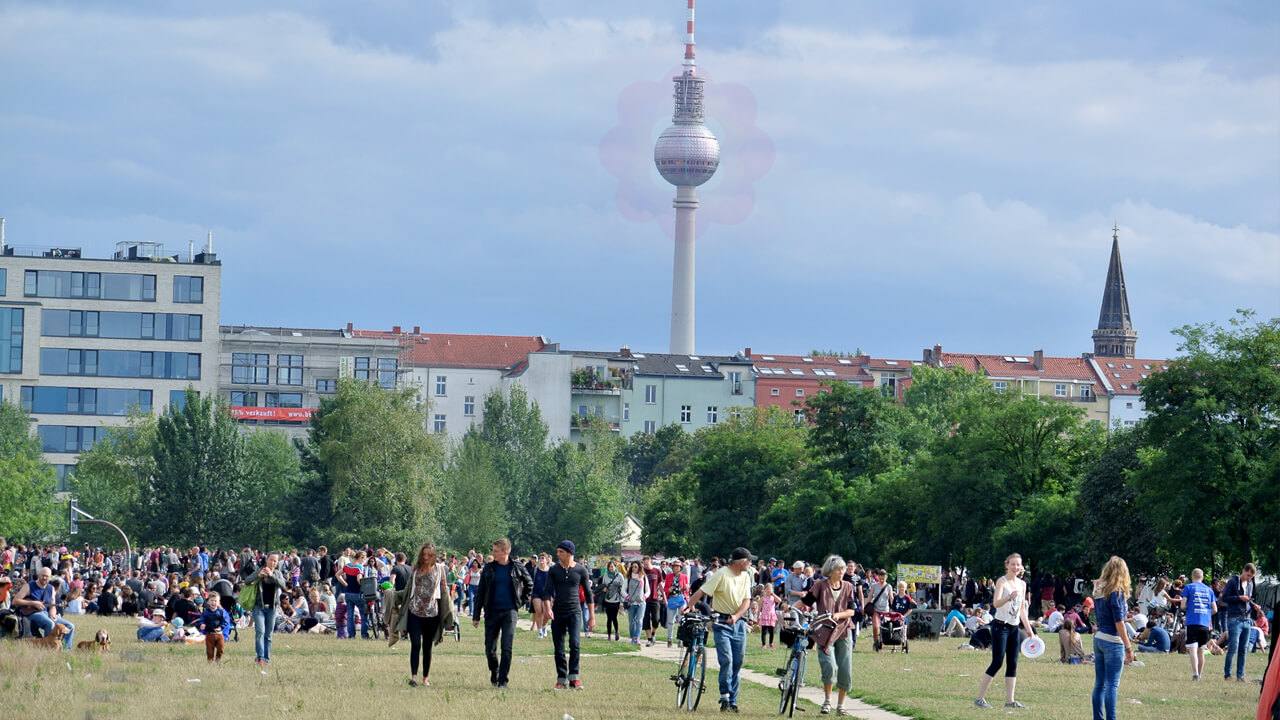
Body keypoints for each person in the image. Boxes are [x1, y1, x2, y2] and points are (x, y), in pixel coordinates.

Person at [686, 547, 756, 714]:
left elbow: (747, 600)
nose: (751, 563)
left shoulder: (746, 576)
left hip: (737, 623)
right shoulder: (722, 574)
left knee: (738, 662)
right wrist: (690, 606)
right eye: (749, 560)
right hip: (721, 622)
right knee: (727, 660)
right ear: (741, 562)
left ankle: (733, 701)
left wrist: (737, 616)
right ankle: (725, 696)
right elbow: (702, 591)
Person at [799, 555, 860, 717]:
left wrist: (839, 615)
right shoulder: (820, 586)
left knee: (845, 670)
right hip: (823, 631)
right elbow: (806, 601)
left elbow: (852, 611)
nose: (842, 572)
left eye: (843, 569)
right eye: (839, 569)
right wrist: (788, 608)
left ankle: (841, 705)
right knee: (829, 666)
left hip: (844, 631)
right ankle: (827, 701)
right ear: (831, 571)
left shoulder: (848, 587)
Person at [974, 553, 1035, 710]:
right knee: (997, 662)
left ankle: (1010, 700)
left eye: (1018, 565)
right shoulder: (1002, 581)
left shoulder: (1022, 584)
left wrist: (1029, 630)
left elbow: (1022, 610)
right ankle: (980, 698)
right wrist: (1009, 597)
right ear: (1007, 565)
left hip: (1014, 627)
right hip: (1000, 626)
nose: (1015, 567)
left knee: (1013, 663)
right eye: (1012, 564)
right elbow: (996, 603)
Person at [472, 538, 531, 689]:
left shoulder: (517, 567)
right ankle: (495, 671)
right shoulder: (489, 568)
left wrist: (521, 602)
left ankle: (503, 680)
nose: (493, 553)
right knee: (490, 649)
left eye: (496, 551)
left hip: (510, 612)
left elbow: (529, 583)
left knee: (507, 647)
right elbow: (481, 591)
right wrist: (476, 615)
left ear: (505, 552)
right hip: (492, 611)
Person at [400, 542, 450, 687]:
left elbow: (444, 591)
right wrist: (393, 596)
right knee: (415, 643)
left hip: (432, 613)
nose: (426, 557)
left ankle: (425, 678)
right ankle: (413, 677)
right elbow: (408, 589)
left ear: (434, 555)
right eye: (424, 554)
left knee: (427, 646)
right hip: (414, 611)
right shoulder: (415, 568)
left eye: (429, 555)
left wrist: (448, 613)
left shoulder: (440, 569)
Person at [1090, 556, 1135, 720]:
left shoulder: (1099, 589)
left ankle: (1098, 718)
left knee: (1099, 684)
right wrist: (1129, 648)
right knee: (1112, 684)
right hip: (1113, 641)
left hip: (1099, 638)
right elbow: (1119, 623)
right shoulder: (1117, 592)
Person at [548, 540, 594, 689]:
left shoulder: (581, 570)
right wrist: (548, 608)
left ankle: (574, 678)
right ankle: (561, 679)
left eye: (560, 552)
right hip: (558, 612)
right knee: (559, 647)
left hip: (575, 612)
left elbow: (588, 594)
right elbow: (547, 592)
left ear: (569, 553)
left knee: (575, 645)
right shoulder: (554, 570)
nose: (557, 554)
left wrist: (591, 617)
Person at [12, 567, 75, 649]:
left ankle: (66, 651)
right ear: (38, 575)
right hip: (33, 613)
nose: (45, 578)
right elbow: (15, 601)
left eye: (47, 576)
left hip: (46, 613)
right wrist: (33, 603)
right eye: (43, 575)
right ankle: (48, 648)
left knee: (70, 626)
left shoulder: (51, 588)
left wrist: (52, 614)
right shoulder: (28, 586)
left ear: (50, 577)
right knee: (50, 623)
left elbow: (52, 605)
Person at [250, 551, 287, 665]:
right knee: (260, 632)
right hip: (259, 606)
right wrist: (258, 576)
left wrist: (272, 576)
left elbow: (283, 585)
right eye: (271, 559)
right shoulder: (259, 570)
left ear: (277, 563)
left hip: (272, 607)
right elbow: (247, 581)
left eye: (275, 561)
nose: (272, 562)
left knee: (268, 634)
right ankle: (260, 657)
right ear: (266, 560)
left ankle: (266, 658)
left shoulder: (278, 573)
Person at [1179, 567, 1217, 680]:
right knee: (1201, 650)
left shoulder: (1189, 587)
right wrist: (1206, 615)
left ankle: (1195, 673)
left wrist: (1189, 610)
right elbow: (1214, 609)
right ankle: (1200, 674)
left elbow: (1182, 605)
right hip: (1205, 623)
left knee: (1192, 649)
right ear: (1203, 577)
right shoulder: (1209, 590)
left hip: (1192, 621)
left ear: (1192, 577)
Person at [1221, 562, 1256, 682]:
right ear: (1243, 571)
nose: (1248, 578)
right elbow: (1225, 597)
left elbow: (1249, 599)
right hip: (1234, 618)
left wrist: (1253, 605)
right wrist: (1239, 598)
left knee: (1243, 649)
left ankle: (1240, 675)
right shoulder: (1233, 582)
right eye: (1247, 575)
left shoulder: (1250, 584)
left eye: (1250, 576)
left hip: (1247, 619)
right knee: (1233, 647)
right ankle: (1228, 674)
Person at [664, 559, 690, 647]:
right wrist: (668, 589)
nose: (675, 568)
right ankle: (669, 638)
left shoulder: (684, 576)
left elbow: (687, 589)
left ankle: (680, 640)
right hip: (672, 599)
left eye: (677, 566)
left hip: (681, 599)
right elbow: (665, 588)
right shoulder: (669, 576)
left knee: (681, 620)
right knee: (670, 620)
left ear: (680, 568)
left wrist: (686, 587)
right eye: (674, 566)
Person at [197, 593, 231, 663]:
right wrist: (202, 624)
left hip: (219, 634)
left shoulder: (221, 612)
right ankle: (210, 660)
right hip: (209, 634)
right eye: (212, 600)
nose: (213, 602)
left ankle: (218, 659)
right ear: (208, 602)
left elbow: (225, 621)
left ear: (219, 602)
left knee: (220, 648)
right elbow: (202, 619)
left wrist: (221, 627)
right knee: (209, 649)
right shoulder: (205, 612)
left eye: (215, 601)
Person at [599, 559, 625, 642]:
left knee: (614, 617)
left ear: (615, 567)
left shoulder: (619, 576)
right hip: (607, 599)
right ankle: (609, 635)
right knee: (609, 618)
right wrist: (604, 589)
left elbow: (623, 589)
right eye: (609, 567)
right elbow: (603, 585)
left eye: (612, 567)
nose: (611, 568)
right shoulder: (605, 575)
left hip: (616, 600)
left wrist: (622, 602)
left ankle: (617, 631)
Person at [624, 560, 648, 645]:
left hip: (641, 603)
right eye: (632, 567)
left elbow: (648, 590)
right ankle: (632, 636)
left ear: (639, 568)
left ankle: (637, 637)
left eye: (635, 567)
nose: (634, 568)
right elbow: (623, 590)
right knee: (631, 621)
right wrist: (627, 596)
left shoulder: (643, 577)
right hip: (631, 603)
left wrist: (644, 596)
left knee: (639, 620)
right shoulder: (628, 578)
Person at [642, 556, 663, 647]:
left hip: (654, 598)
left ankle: (653, 634)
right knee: (646, 619)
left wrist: (664, 596)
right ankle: (649, 639)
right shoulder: (642, 571)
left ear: (651, 563)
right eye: (644, 564)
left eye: (647, 564)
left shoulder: (657, 571)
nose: (645, 566)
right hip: (644, 599)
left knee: (656, 619)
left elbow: (660, 584)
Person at [531, 553, 552, 639]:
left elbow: (553, 584)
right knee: (538, 611)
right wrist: (529, 594)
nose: (541, 559)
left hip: (547, 594)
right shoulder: (535, 570)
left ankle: (544, 626)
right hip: (536, 593)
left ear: (547, 560)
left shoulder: (550, 571)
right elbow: (531, 582)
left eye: (543, 558)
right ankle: (539, 631)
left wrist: (553, 595)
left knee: (546, 613)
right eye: (540, 558)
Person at [758, 582, 779, 648]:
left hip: (771, 616)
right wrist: (758, 616)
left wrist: (774, 594)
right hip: (765, 615)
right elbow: (759, 608)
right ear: (764, 590)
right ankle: (763, 644)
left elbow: (779, 600)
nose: (769, 590)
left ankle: (771, 643)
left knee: (771, 631)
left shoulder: (773, 598)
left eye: (770, 589)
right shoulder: (763, 598)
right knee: (764, 631)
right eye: (767, 589)